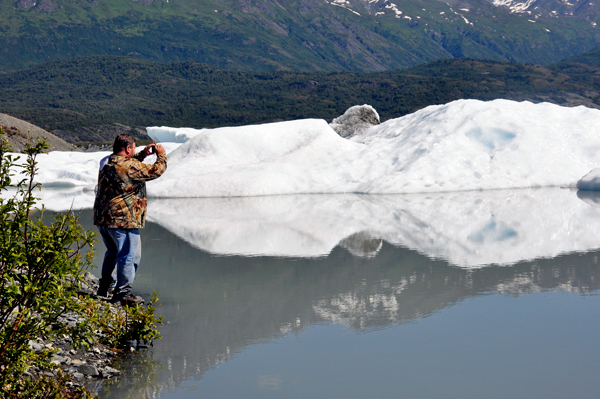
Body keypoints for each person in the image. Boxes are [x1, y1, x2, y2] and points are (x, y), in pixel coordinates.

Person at [93, 134, 167, 305]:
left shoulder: (106, 161)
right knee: (129, 256)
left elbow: (128, 166)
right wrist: (161, 155)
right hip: (123, 219)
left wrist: (142, 154)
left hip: (104, 218)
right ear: (128, 149)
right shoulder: (129, 166)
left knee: (112, 252)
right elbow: (155, 171)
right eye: (133, 148)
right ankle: (122, 294)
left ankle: (104, 288)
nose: (134, 151)